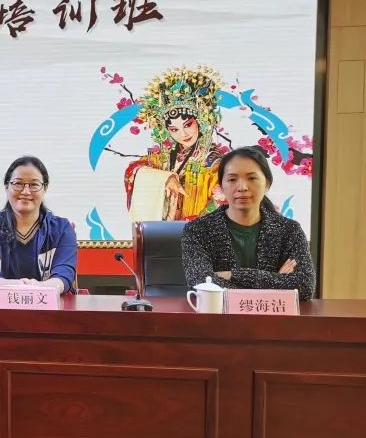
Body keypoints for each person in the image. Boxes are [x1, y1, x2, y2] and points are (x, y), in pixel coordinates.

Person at [182, 146, 315, 300]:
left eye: (251, 178)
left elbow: (304, 286)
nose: (242, 187)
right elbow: (200, 284)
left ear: (267, 184)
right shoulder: (198, 230)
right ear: (221, 186)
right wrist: (276, 281)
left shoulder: (290, 231)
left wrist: (232, 275)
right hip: (218, 315)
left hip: (272, 316)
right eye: (232, 179)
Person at [125, 66, 226, 222]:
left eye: (188, 125)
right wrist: (165, 178)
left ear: (200, 122)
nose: (183, 134)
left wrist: (188, 227)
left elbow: (222, 203)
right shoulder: (160, 158)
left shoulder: (214, 163)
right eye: (174, 129)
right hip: (160, 231)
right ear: (166, 131)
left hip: (196, 232)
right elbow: (132, 172)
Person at [0, 156, 77, 295]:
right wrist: (19, 287)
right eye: (18, 183)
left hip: (50, 306)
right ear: (6, 187)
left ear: (45, 188)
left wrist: (37, 288)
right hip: (0, 306)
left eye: (34, 185)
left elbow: (64, 275)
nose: (26, 191)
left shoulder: (62, 229)